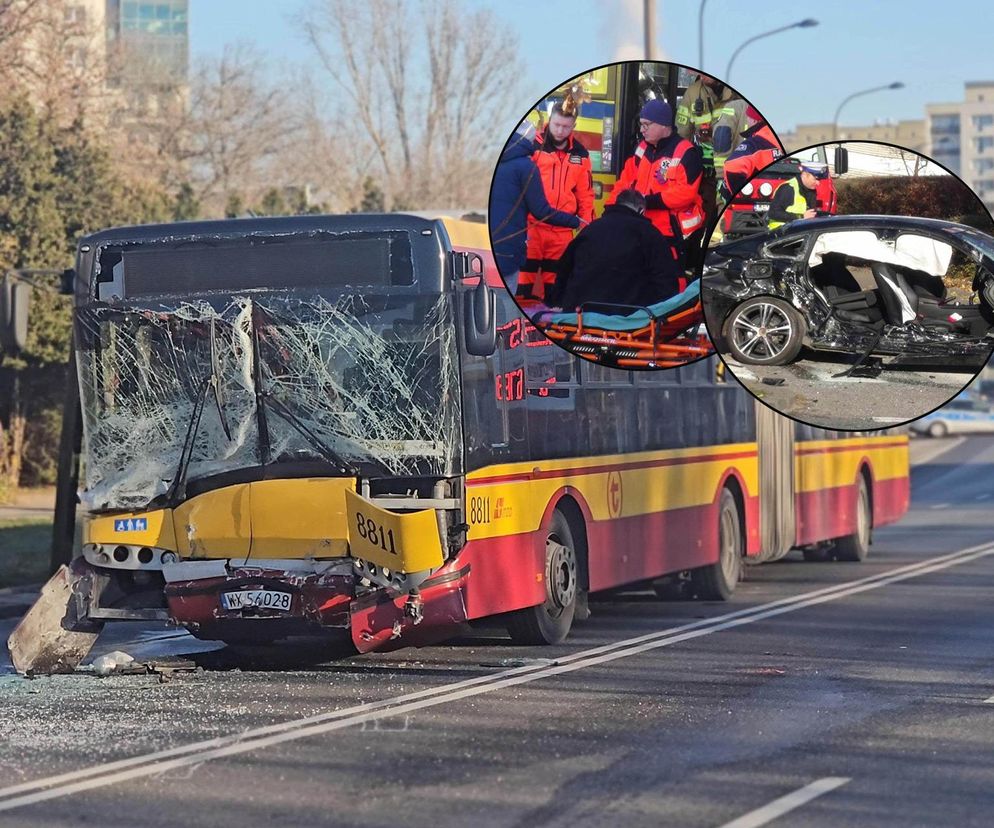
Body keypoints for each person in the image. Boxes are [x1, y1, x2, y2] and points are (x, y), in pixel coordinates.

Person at [605, 99, 705, 280]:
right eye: (641, 124)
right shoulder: (642, 149)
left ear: (663, 125)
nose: (642, 129)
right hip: (639, 227)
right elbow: (625, 181)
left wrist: (647, 201)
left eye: (646, 125)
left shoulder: (686, 152)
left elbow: (685, 193)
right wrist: (611, 208)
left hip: (668, 233)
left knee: (669, 282)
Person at [550, 188, 681, 312]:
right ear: (641, 211)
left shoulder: (590, 230)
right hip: (628, 316)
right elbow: (666, 281)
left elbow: (563, 270)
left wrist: (561, 306)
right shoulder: (650, 234)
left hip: (580, 312)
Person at [489, 121, 582, 292]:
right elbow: (541, 211)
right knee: (505, 298)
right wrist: (575, 221)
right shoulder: (526, 167)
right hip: (509, 245)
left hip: (487, 243)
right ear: (529, 141)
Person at [518, 103, 595, 301]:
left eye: (566, 127)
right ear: (549, 120)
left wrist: (587, 228)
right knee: (522, 287)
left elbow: (585, 194)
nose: (560, 131)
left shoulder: (580, 154)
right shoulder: (532, 147)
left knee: (556, 292)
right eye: (557, 124)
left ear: (574, 125)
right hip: (531, 227)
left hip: (562, 232)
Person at [720, 104, 783, 203]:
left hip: (753, 200)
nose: (747, 121)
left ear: (754, 120)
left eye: (748, 118)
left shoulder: (754, 145)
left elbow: (732, 166)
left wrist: (738, 197)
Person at [767, 161, 828, 230]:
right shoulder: (788, 188)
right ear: (805, 174)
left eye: (819, 180)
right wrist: (801, 217)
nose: (818, 183)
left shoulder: (810, 190)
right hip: (780, 234)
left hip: (797, 234)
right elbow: (773, 213)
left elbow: (810, 214)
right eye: (815, 179)